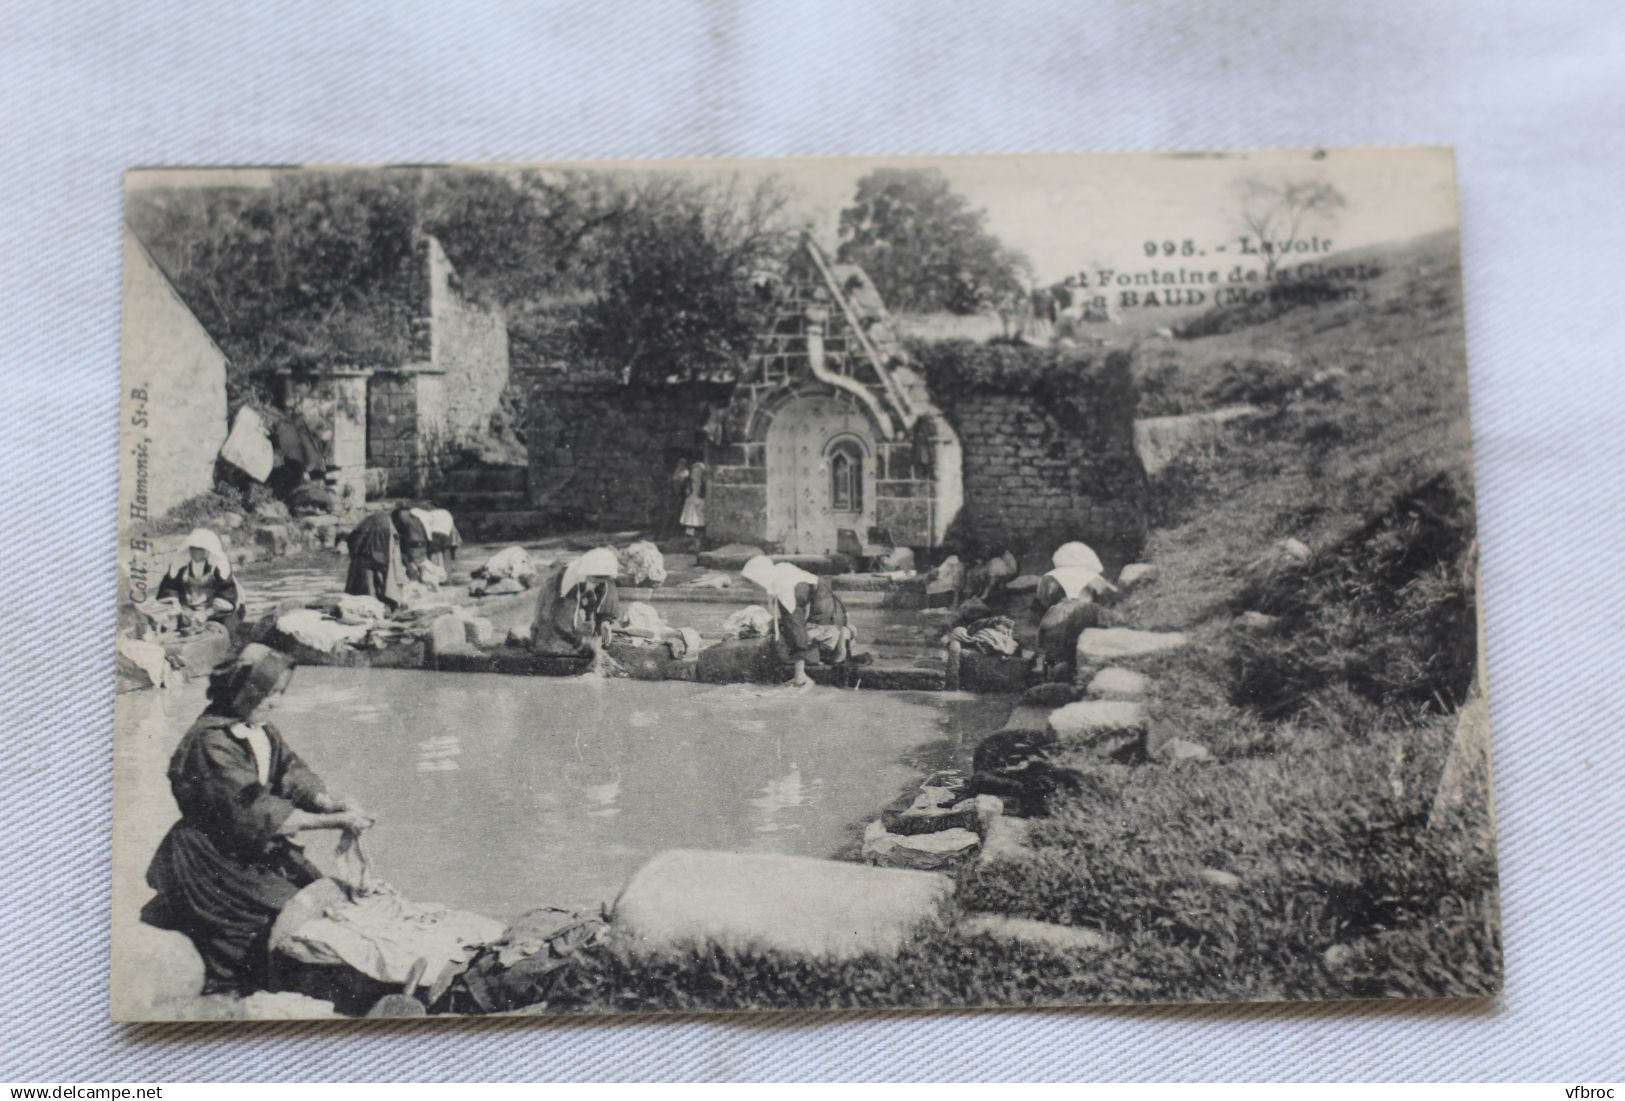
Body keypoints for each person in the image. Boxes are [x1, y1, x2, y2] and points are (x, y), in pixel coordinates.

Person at [141, 645, 372, 995]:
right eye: (269, 694)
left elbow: (291, 772)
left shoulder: (261, 730)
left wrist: (329, 802)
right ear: (243, 691)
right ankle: (230, 995)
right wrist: (336, 822)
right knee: (261, 924)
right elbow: (254, 810)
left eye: (280, 693)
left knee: (317, 892)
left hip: (253, 844)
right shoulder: (211, 742)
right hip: (211, 855)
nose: (276, 703)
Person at [742, 555, 868, 687]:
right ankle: (842, 636)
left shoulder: (784, 588)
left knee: (791, 650)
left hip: (825, 615)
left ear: (761, 576)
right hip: (832, 609)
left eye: (752, 582)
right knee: (790, 636)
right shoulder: (781, 570)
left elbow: (795, 628)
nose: (752, 587)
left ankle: (838, 643)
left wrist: (799, 672)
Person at [532, 547, 621, 665]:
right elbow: (561, 616)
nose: (599, 582)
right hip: (554, 616)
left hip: (576, 602)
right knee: (557, 646)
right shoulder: (565, 582)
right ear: (587, 573)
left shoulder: (603, 575)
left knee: (593, 638)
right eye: (596, 579)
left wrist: (605, 620)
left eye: (602, 579)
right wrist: (579, 641)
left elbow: (608, 591)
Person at [155, 528, 243, 629]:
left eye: (201, 549)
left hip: (217, 610)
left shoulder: (219, 565)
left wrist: (207, 613)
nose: (196, 552)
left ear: (209, 550)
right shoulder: (180, 564)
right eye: (193, 548)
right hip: (191, 609)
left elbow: (227, 592)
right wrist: (175, 605)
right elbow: (170, 586)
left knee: (224, 629)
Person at [343, 510, 406, 609]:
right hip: (381, 555)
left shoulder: (370, 521)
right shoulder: (385, 522)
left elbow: (355, 541)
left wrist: (355, 554)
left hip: (370, 555)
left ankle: (374, 602)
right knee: (381, 581)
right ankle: (384, 602)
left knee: (369, 584)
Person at [1034, 541, 1114, 611]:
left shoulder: (1048, 576)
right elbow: (1108, 599)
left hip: (1054, 614)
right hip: (1086, 614)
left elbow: (1042, 598)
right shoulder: (1093, 577)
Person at [678, 452, 707, 553]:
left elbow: (702, 494)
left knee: (698, 525)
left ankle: (698, 545)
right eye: (694, 473)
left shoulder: (702, 485)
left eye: (698, 474)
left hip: (699, 503)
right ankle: (693, 544)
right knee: (690, 526)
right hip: (691, 503)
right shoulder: (690, 484)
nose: (695, 476)